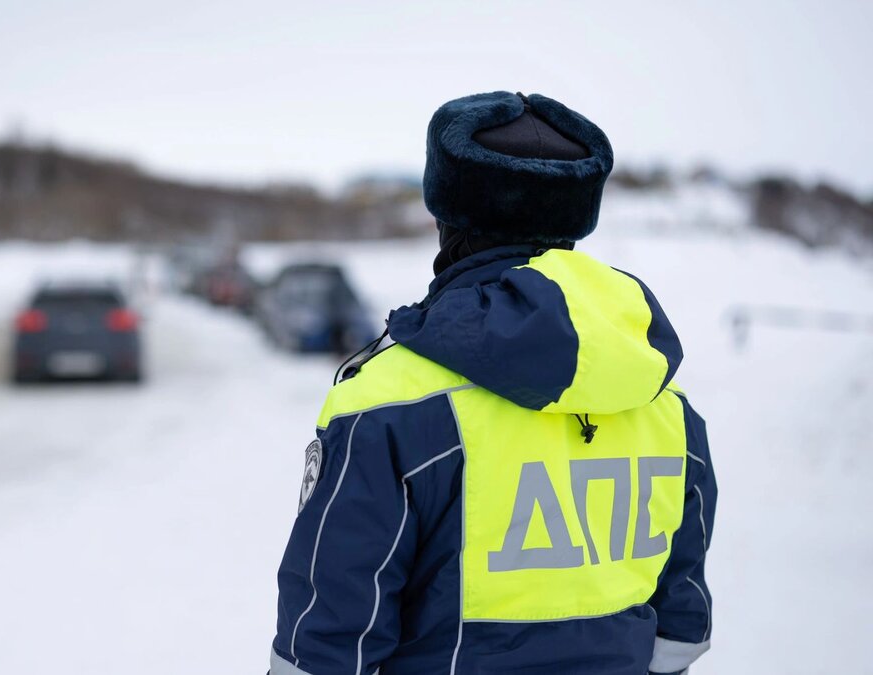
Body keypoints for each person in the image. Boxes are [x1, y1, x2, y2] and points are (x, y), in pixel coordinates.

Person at [271, 91, 716, 675]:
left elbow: (328, 642)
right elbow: (680, 627)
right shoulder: (667, 404)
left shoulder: (388, 403)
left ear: (446, 217)